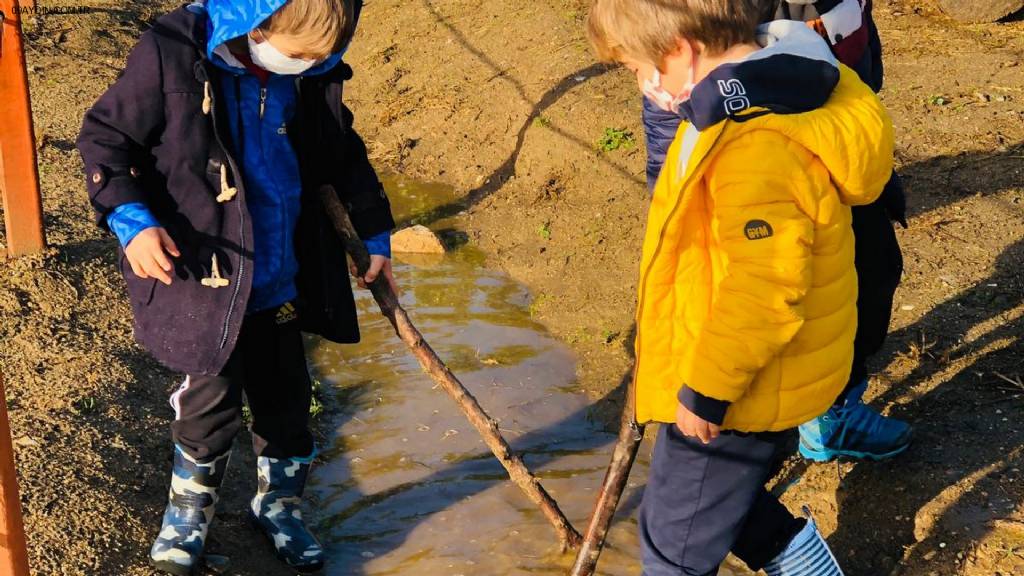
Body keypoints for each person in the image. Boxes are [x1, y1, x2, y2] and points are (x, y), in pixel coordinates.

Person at [76, 0, 395, 573]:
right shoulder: (174, 54)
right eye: (292, 55)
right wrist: (132, 222)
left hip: (281, 275)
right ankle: (187, 517)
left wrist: (375, 234)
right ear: (257, 22)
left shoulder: (310, 76)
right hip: (205, 274)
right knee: (209, 405)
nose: (297, 68)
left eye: (314, 61)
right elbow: (106, 140)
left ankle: (279, 507)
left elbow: (343, 155)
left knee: (289, 404)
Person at [587, 1, 895, 573]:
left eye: (635, 67)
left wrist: (706, 388)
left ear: (680, 50)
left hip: (741, 382)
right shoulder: (765, 81)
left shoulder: (751, 142)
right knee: (710, 500)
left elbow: (766, 282)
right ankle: (805, 564)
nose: (640, 82)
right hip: (756, 366)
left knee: (671, 546)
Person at [642, 0, 912, 463]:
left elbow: (856, 30)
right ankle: (740, 418)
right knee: (766, 292)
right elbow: (672, 95)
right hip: (755, 150)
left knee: (873, 273)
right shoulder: (702, 22)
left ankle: (835, 406)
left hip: (828, 126)